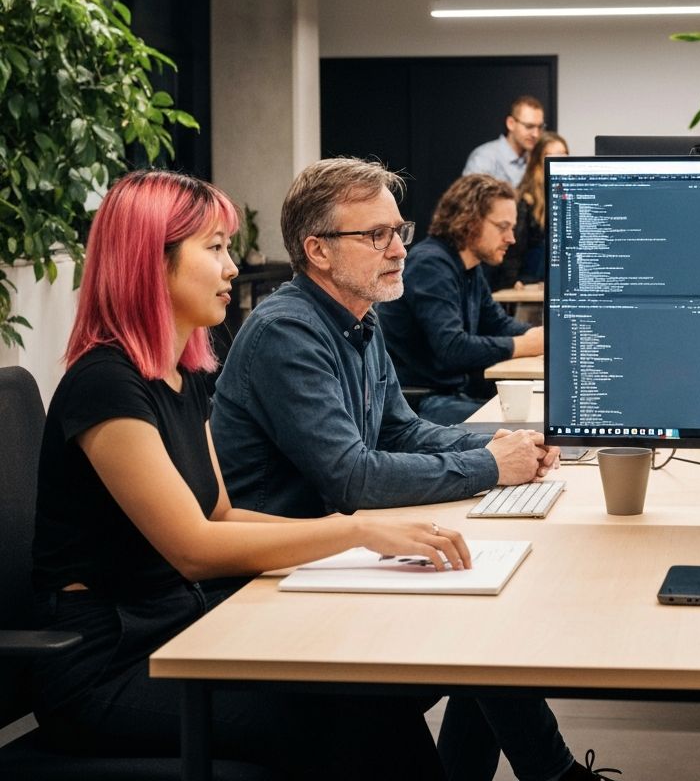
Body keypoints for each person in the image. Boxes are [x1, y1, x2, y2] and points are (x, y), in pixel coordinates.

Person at [30, 169, 472, 777]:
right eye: (214, 248)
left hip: (182, 632)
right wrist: (354, 532)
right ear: (149, 263)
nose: (233, 268)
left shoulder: (181, 377)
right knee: (361, 718)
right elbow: (194, 548)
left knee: (373, 697)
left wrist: (362, 548)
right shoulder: (105, 384)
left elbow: (222, 514)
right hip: (110, 665)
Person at [212, 157, 610, 781]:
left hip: (333, 557)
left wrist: (499, 445)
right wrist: (486, 465)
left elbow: (401, 427)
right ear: (317, 250)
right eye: (377, 236)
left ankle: (551, 775)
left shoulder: (357, 318)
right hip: (273, 583)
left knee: (486, 621)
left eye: (399, 230)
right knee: (478, 626)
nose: (399, 248)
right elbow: (351, 478)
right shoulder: (287, 331)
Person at [377, 173, 544, 425]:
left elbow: (498, 323)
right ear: (471, 221)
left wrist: (546, 337)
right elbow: (452, 349)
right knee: (529, 428)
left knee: (535, 419)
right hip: (421, 403)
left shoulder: (468, 267)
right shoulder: (430, 264)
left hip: (449, 395)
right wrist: (523, 345)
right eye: (503, 227)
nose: (511, 238)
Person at [489, 130, 569, 292]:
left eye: (562, 154)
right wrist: (512, 281)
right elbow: (512, 248)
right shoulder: (525, 200)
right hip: (528, 286)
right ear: (538, 162)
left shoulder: (574, 194)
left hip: (560, 285)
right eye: (550, 155)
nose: (557, 160)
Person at [463, 95, 546, 186]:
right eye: (529, 126)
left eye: (540, 127)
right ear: (511, 123)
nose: (536, 134)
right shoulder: (485, 158)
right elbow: (470, 198)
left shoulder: (535, 160)